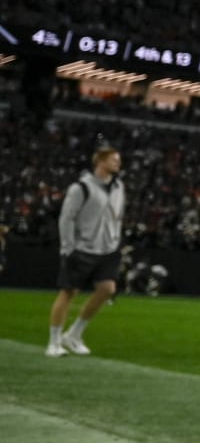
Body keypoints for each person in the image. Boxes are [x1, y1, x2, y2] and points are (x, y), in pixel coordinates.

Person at [47, 146, 126, 357]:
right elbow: (67, 217)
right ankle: (54, 342)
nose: (118, 163)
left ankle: (74, 334)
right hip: (83, 248)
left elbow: (118, 215)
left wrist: (115, 238)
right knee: (69, 293)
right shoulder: (81, 187)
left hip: (108, 248)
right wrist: (68, 247)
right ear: (100, 162)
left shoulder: (119, 186)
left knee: (107, 289)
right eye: (114, 160)